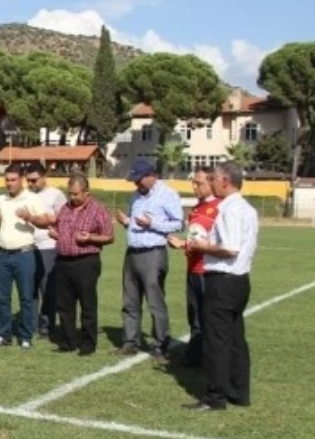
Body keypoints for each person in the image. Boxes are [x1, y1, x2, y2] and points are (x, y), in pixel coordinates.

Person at [183, 161, 259, 411]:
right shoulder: (247, 208)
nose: (212, 182)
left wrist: (202, 246)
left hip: (223, 282)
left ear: (226, 181)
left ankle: (216, 396)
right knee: (236, 338)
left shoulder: (230, 210)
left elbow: (230, 248)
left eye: (214, 178)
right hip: (239, 281)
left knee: (217, 340)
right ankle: (239, 391)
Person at [114, 158, 183, 365]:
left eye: (140, 180)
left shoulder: (167, 194)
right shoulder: (136, 196)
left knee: (155, 302)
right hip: (132, 251)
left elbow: (178, 223)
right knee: (130, 300)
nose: (137, 184)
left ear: (152, 176)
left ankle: (160, 344)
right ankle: (130, 341)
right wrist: (127, 222)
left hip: (153, 253)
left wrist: (152, 223)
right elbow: (136, 225)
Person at [38, 173, 114, 356]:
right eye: (70, 193)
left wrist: (91, 238)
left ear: (86, 193)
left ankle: (88, 343)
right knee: (65, 304)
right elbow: (58, 227)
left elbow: (110, 236)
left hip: (86, 262)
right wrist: (55, 234)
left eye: (76, 194)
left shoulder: (98, 210)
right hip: (63, 261)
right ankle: (68, 340)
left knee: (87, 303)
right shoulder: (65, 208)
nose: (72, 197)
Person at [0, 164, 50, 349]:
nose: (9, 183)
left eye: (13, 180)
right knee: (3, 297)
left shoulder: (32, 199)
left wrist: (29, 217)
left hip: (24, 254)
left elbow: (45, 221)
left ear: (21, 180)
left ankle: (25, 336)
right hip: (3, 254)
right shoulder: (1, 199)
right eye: (7, 180)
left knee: (26, 297)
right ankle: (4, 334)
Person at [167, 168, 219, 368]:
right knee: (194, 315)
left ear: (211, 182)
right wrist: (183, 244)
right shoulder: (196, 209)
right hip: (193, 269)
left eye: (199, 183)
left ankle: (211, 358)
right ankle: (195, 355)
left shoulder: (220, 208)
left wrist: (184, 244)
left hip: (209, 271)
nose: (194, 186)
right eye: (193, 183)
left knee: (210, 317)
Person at [25, 165, 68, 339]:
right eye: (28, 180)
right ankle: (32, 324)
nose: (31, 183)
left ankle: (47, 325)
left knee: (47, 288)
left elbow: (64, 219)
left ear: (44, 177)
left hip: (47, 247)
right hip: (28, 246)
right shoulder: (26, 194)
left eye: (34, 180)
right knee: (30, 289)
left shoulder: (56, 195)